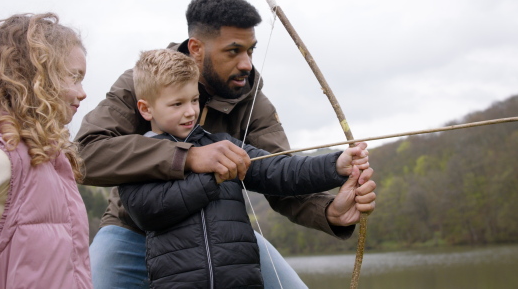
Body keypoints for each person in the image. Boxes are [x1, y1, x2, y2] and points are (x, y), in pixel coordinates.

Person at [77, 0, 376, 289]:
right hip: (131, 228)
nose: (246, 64)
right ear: (196, 48)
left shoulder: (253, 101)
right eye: (234, 51)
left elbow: (277, 172)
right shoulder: (144, 81)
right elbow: (85, 154)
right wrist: (189, 157)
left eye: (250, 50)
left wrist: (330, 210)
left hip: (223, 231)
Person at [119, 49, 370, 287]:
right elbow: (147, 211)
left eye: (194, 100)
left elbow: (280, 169)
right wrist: (210, 179)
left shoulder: (224, 146)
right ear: (145, 108)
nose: (190, 112)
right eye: (177, 104)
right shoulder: (139, 156)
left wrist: (335, 165)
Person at [0, 13, 91, 288]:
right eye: (74, 77)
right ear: (34, 76)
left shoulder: (45, 157)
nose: (83, 92)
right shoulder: (1, 157)